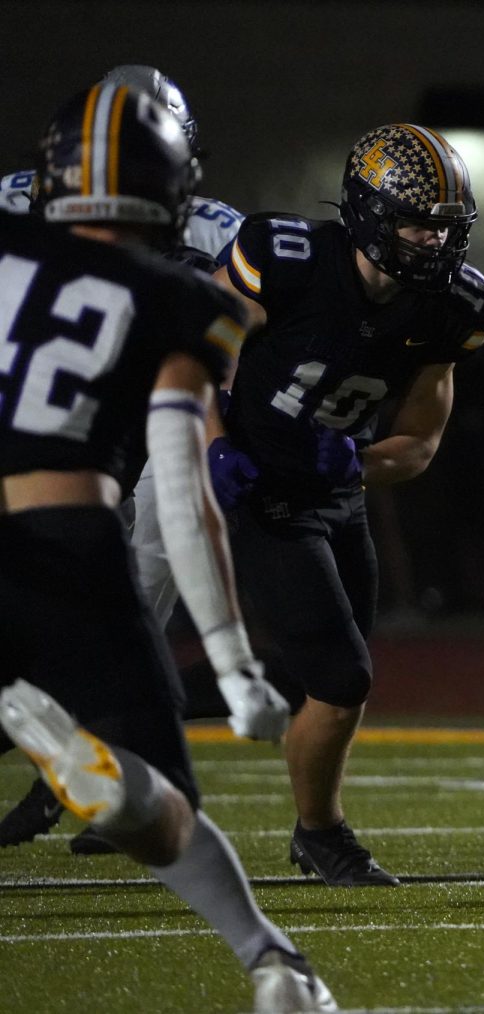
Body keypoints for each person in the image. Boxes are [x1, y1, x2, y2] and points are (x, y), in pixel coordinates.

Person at [0, 83, 332, 1011]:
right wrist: (231, 668)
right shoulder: (184, 296)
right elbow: (182, 498)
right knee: (162, 817)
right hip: (65, 543)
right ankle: (272, 961)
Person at [209, 123, 484, 886]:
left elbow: (421, 443)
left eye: (446, 226)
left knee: (315, 678)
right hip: (257, 486)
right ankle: (322, 834)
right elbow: (197, 352)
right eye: (418, 222)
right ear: (368, 213)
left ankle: (128, 707)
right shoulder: (290, 260)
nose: (434, 241)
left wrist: (355, 465)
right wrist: (213, 443)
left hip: (335, 498)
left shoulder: (451, 307)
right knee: (341, 679)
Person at [0, 63, 269, 853]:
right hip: (41, 419)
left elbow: (245, 318)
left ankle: (108, 745)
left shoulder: (217, 228)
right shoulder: (18, 199)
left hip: (145, 417)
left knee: (152, 550)